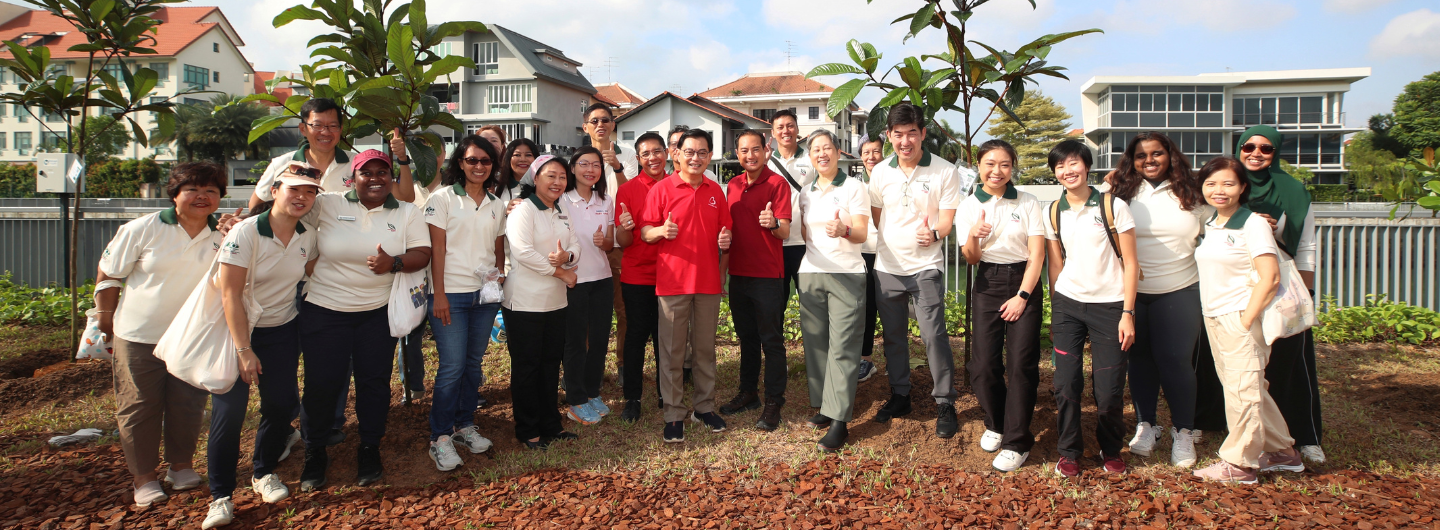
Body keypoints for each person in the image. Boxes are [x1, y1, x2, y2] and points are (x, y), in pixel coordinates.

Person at [297, 149, 432, 491]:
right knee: (320, 384)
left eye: (383, 172)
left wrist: (395, 263)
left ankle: (369, 447)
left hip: (376, 314)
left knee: (373, 384)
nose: (375, 178)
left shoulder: (406, 212)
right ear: (352, 178)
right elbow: (288, 214)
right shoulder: (327, 204)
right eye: (366, 172)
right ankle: (314, 451)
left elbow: (423, 253)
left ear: (392, 177)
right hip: (325, 311)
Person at [96, 163, 226, 508]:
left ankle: (180, 466)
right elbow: (109, 273)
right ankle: (144, 477)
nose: (202, 197)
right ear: (175, 195)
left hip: (192, 335)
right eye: (192, 190)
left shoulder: (224, 233)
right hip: (140, 335)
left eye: (211, 191)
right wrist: (105, 318)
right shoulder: (143, 228)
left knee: (188, 403)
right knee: (139, 405)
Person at [201, 166, 321, 529]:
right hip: (236, 333)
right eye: (294, 189)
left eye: (310, 192)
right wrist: (243, 350)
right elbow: (229, 293)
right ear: (274, 190)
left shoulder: (308, 236)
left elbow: (312, 271)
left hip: (281, 330)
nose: (301, 197)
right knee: (229, 414)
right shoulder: (246, 232)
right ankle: (220, 495)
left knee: (281, 404)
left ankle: (262, 471)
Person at [1190, 156, 1306, 483]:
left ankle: (1240, 464)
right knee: (1246, 387)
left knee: (1243, 391)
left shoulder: (1251, 223)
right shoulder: (1212, 223)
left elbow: (1269, 277)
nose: (1219, 190)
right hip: (1214, 316)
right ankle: (1284, 453)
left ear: (1243, 187)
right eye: (1211, 183)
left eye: (1228, 183)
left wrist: (1245, 320)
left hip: (1240, 317)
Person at [1107, 132, 1210, 468]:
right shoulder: (1119, 192)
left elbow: (1221, 224)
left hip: (1180, 288)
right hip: (1132, 293)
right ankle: (1146, 424)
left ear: (1170, 155)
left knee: (1175, 360)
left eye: (1156, 154)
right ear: (1130, 160)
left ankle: (1183, 430)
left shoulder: (1192, 192)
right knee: (1139, 360)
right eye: (1140, 155)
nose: (1148, 160)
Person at [1044, 139, 1139, 478]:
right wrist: (1056, 311)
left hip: (1110, 307)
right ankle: (1069, 452)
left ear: (1086, 166)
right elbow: (1056, 267)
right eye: (1060, 166)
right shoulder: (1053, 211)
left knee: (1109, 389)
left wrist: (1128, 313)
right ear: (1055, 172)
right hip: (1068, 305)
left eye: (1074, 163)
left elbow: (1130, 261)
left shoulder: (1113, 206)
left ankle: (1110, 449)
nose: (1068, 171)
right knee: (1066, 385)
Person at [866, 103, 961, 438]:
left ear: (923, 133)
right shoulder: (879, 172)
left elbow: (948, 220)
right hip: (887, 267)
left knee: (933, 335)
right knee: (893, 337)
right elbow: (877, 216)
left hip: (926, 266)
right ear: (889, 136)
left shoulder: (945, 171)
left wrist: (934, 233)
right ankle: (900, 394)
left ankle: (945, 402)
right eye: (897, 134)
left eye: (911, 133)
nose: (904, 141)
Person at [1235, 125, 1325, 464]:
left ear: (1276, 153)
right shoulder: (1224, 181)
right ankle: (1216, 424)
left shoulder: (1292, 191)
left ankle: (1305, 435)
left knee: (1291, 360)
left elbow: (1307, 246)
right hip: (1234, 283)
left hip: (1281, 283)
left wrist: (1307, 292)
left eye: (1266, 149)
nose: (1256, 153)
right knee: (1236, 357)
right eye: (1249, 147)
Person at [956, 140, 1046, 473]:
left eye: (1005, 164)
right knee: (982, 365)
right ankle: (996, 422)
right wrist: (974, 236)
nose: (997, 171)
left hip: (1024, 281)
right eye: (990, 164)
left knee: (1022, 363)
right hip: (988, 282)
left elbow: (1037, 255)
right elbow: (971, 259)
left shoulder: (1028, 201)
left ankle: (1017, 441)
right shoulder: (968, 206)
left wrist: (1022, 296)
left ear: (1013, 167)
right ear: (978, 166)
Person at [640, 128, 733, 443]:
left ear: (709, 156)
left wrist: (725, 239)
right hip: (673, 283)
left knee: (705, 350)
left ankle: (704, 407)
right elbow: (644, 233)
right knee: (672, 352)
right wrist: (660, 232)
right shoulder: (662, 190)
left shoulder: (714, 191)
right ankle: (673, 414)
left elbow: (726, 233)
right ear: (676, 154)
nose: (695, 158)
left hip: (707, 283)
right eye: (689, 151)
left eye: (702, 152)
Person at [422, 135, 505, 471]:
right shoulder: (441, 199)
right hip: (450, 294)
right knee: (452, 366)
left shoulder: (496, 203)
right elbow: (436, 250)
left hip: (484, 297)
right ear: (460, 163)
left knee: (473, 365)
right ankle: (439, 437)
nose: (479, 167)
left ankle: (463, 425)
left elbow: (497, 248)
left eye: (485, 162)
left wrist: (498, 279)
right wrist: (438, 293)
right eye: (472, 160)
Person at [795, 130, 870, 451]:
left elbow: (863, 232)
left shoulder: (854, 187)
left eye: (827, 148)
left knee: (843, 346)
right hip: (811, 274)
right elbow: (804, 232)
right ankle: (826, 408)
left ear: (839, 153)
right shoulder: (805, 192)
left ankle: (840, 422)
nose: (821, 154)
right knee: (817, 346)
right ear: (810, 157)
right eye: (815, 150)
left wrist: (845, 229)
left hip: (846, 275)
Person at [504, 155, 582, 449]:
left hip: (556, 301)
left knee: (550, 364)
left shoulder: (562, 209)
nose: (557, 182)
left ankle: (551, 424)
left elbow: (575, 244)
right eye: (551, 176)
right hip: (525, 301)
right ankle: (528, 430)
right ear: (534, 179)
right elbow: (522, 252)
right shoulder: (523, 210)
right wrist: (560, 271)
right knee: (527, 367)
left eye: (562, 177)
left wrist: (568, 258)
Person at [716, 129, 792, 431]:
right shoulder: (732, 185)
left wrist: (773, 223)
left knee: (771, 341)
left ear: (765, 151)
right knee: (746, 339)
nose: (750, 155)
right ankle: (748, 393)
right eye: (744, 150)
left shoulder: (777, 183)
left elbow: (784, 231)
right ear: (737, 154)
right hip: (739, 274)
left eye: (756, 149)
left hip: (767, 276)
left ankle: (775, 400)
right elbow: (728, 230)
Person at [248, 100, 417, 208]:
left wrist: (402, 159)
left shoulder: (356, 163)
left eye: (332, 126)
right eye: (317, 125)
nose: (325, 132)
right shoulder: (282, 163)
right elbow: (256, 206)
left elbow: (405, 197)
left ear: (341, 130)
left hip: (340, 254)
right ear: (303, 129)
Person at [613, 132, 670, 422]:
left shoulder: (678, 185)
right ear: (638, 159)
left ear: (667, 153)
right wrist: (624, 227)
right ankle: (632, 398)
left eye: (657, 151)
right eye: (646, 153)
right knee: (636, 336)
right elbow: (622, 242)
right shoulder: (628, 190)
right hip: (637, 274)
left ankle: (666, 393)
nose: (652, 158)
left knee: (666, 337)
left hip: (673, 275)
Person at [582, 103, 637, 396]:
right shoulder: (578, 158)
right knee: (589, 313)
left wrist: (615, 165)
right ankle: (590, 368)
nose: (600, 124)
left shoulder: (627, 155)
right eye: (594, 120)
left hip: (619, 243)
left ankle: (624, 365)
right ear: (585, 127)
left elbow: (630, 191)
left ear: (614, 124)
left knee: (623, 309)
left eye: (605, 120)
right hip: (587, 246)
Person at [561, 146, 617, 425]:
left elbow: (609, 242)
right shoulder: (561, 200)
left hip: (602, 280)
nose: (590, 170)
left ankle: (592, 392)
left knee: (598, 341)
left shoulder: (605, 200)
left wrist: (603, 242)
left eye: (596, 165)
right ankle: (576, 399)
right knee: (574, 343)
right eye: (584, 164)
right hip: (574, 281)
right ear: (572, 168)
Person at [766, 109, 815, 301]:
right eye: (780, 127)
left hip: (804, 242)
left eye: (790, 126)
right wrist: (764, 162)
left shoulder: (811, 158)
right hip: (775, 241)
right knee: (776, 302)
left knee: (810, 301)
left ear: (797, 129)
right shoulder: (766, 161)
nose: (786, 131)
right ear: (773, 132)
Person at [855, 137, 885, 383]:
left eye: (876, 151)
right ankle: (865, 359)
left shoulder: (891, 180)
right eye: (866, 152)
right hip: (862, 253)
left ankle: (895, 357)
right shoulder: (855, 185)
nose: (871, 156)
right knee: (865, 308)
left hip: (888, 252)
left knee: (888, 307)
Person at [498, 138, 540, 210]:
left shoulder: (543, 187)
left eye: (528, 155)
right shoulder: (497, 188)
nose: (523, 159)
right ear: (508, 158)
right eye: (517, 155)